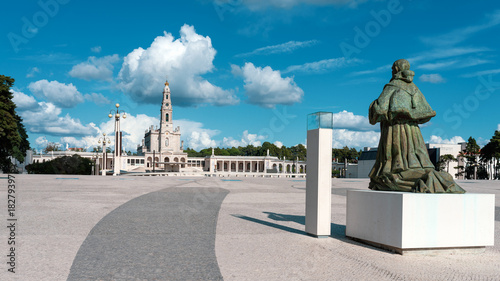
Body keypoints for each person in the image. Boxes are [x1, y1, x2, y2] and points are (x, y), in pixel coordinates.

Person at [368, 59, 465, 193]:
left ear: (396, 69)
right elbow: (425, 110)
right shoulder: (414, 88)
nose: (392, 71)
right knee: (413, 156)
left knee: (394, 160)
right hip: (413, 130)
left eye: (392, 69)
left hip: (395, 129)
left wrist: (373, 105)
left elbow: (379, 109)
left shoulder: (392, 86)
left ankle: (397, 173)